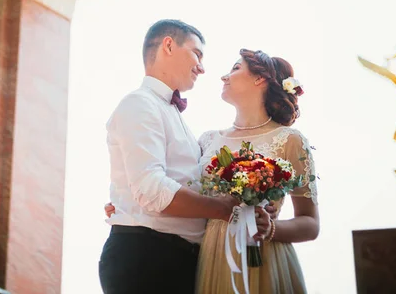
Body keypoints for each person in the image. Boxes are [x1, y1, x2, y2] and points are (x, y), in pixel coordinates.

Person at [105, 49, 319, 294]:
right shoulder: (207, 140)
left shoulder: (290, 140)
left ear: (260, 79)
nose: (224, 77)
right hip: (210, 257)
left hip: (263, 258)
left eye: (236, 68)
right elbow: (173, 185)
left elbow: (310, 223)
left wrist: (270, 228)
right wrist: (125, 203)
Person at [98, 20, 273, 294]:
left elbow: (169, 185)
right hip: (148, 258)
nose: (202, 68)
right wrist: (224, 209)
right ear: (169, 45)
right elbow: (151, 189)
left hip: (178, 259)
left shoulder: (174, 117)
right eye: (197, 54)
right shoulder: (139, 104)